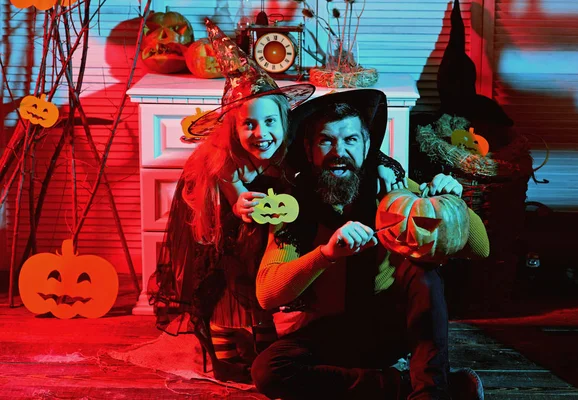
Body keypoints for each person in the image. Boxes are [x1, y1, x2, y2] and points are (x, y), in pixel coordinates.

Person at [147, 18, 407, 384]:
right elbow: (236, 205)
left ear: (286, 122)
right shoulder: (225, 163)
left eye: (270, 122)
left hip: (276, 236)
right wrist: (240, 204)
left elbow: (350, 154)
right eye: (248, 125)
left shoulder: (293, 153)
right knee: (232, 286)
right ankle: (226, 348)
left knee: (269, 281)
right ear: (233, 130)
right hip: (234, 233)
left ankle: (265, 336)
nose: (261, 133)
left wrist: (382, 166)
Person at [251, 89, 489, 399]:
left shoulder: (394, 191)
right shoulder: (294, 207)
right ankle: (412, 386)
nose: (339, 152)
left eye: (350, 140)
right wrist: (325, 255)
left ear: (366, 146)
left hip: (386, 328)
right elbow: (267, 294)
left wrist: (452, 203)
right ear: (309, 150)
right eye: (327, 141)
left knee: (424, 273)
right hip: (325, 330)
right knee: (268, 372)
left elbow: (480, 248)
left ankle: (429, 394)